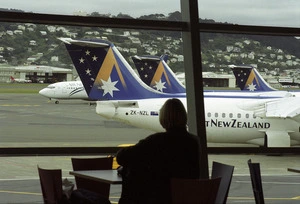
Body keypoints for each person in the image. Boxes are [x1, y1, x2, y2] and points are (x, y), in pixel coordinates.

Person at [116, 98, 200, 204]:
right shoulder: (194, 142)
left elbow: (122, 157)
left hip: (159, 198)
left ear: (163, 119)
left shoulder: (156, 141)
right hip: (186, 198)